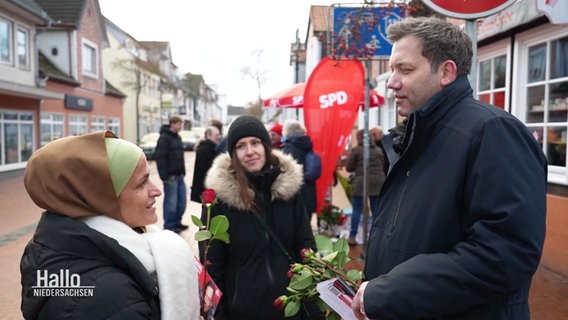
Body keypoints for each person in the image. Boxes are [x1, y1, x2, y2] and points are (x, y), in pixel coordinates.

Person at [351, 17, 547, 320]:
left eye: (405, 69)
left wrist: (391, 291)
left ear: (446, 71)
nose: (391, 81)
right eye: (392, 69)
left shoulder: (493, 132)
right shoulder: (418, 136)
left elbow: (504, 255)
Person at [20, 131, 200, 319]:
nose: (156, 191)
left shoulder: (57, 245)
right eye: (142, 182)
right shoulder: (109, 297)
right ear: (99, 197)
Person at [200, 115, 320, 320]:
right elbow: (212, 267)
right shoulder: (219, 202)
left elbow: (305, 247)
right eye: (241, 146)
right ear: (233, 153)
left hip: (290, 307)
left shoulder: (288, 193)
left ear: (266, 146)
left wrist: (313, 308)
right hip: (243, 311)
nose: (250, 152)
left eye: (255, 143)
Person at [345, 129, 385, 246]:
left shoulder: (357, 150)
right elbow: (382, 165)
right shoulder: (378, 151)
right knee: (376, 211)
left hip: (361, 182)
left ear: (359, 138)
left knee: (357, 210)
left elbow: (349, 167)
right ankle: (376, 237)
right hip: (378, 182)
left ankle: (352, 237)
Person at [154, 115, 188, 233]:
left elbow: (180, 156)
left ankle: (177, 223)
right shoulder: (164, 138)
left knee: (181, 201)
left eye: (181, 124)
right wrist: (163, 176)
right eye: (179, 124)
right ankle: (169, 226)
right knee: (171, 202)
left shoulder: (177, 137)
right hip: (170, 177)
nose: (181, 126)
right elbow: (160, 157)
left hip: (179, 175)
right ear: (172, 124)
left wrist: (183, 171)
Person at [281, 119, 318, 219]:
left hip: (294, 194)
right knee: (305, 225)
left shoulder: (289, 149)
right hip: (308, 191)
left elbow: (284, 172)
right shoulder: (307, 145)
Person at [191, 125, 221, 203]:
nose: (219, 137)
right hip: (206, 189)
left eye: (219, 135)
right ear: (208, 135)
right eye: (216, 135)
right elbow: (205, 171)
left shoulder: (209, 148)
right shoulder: (205, 150)